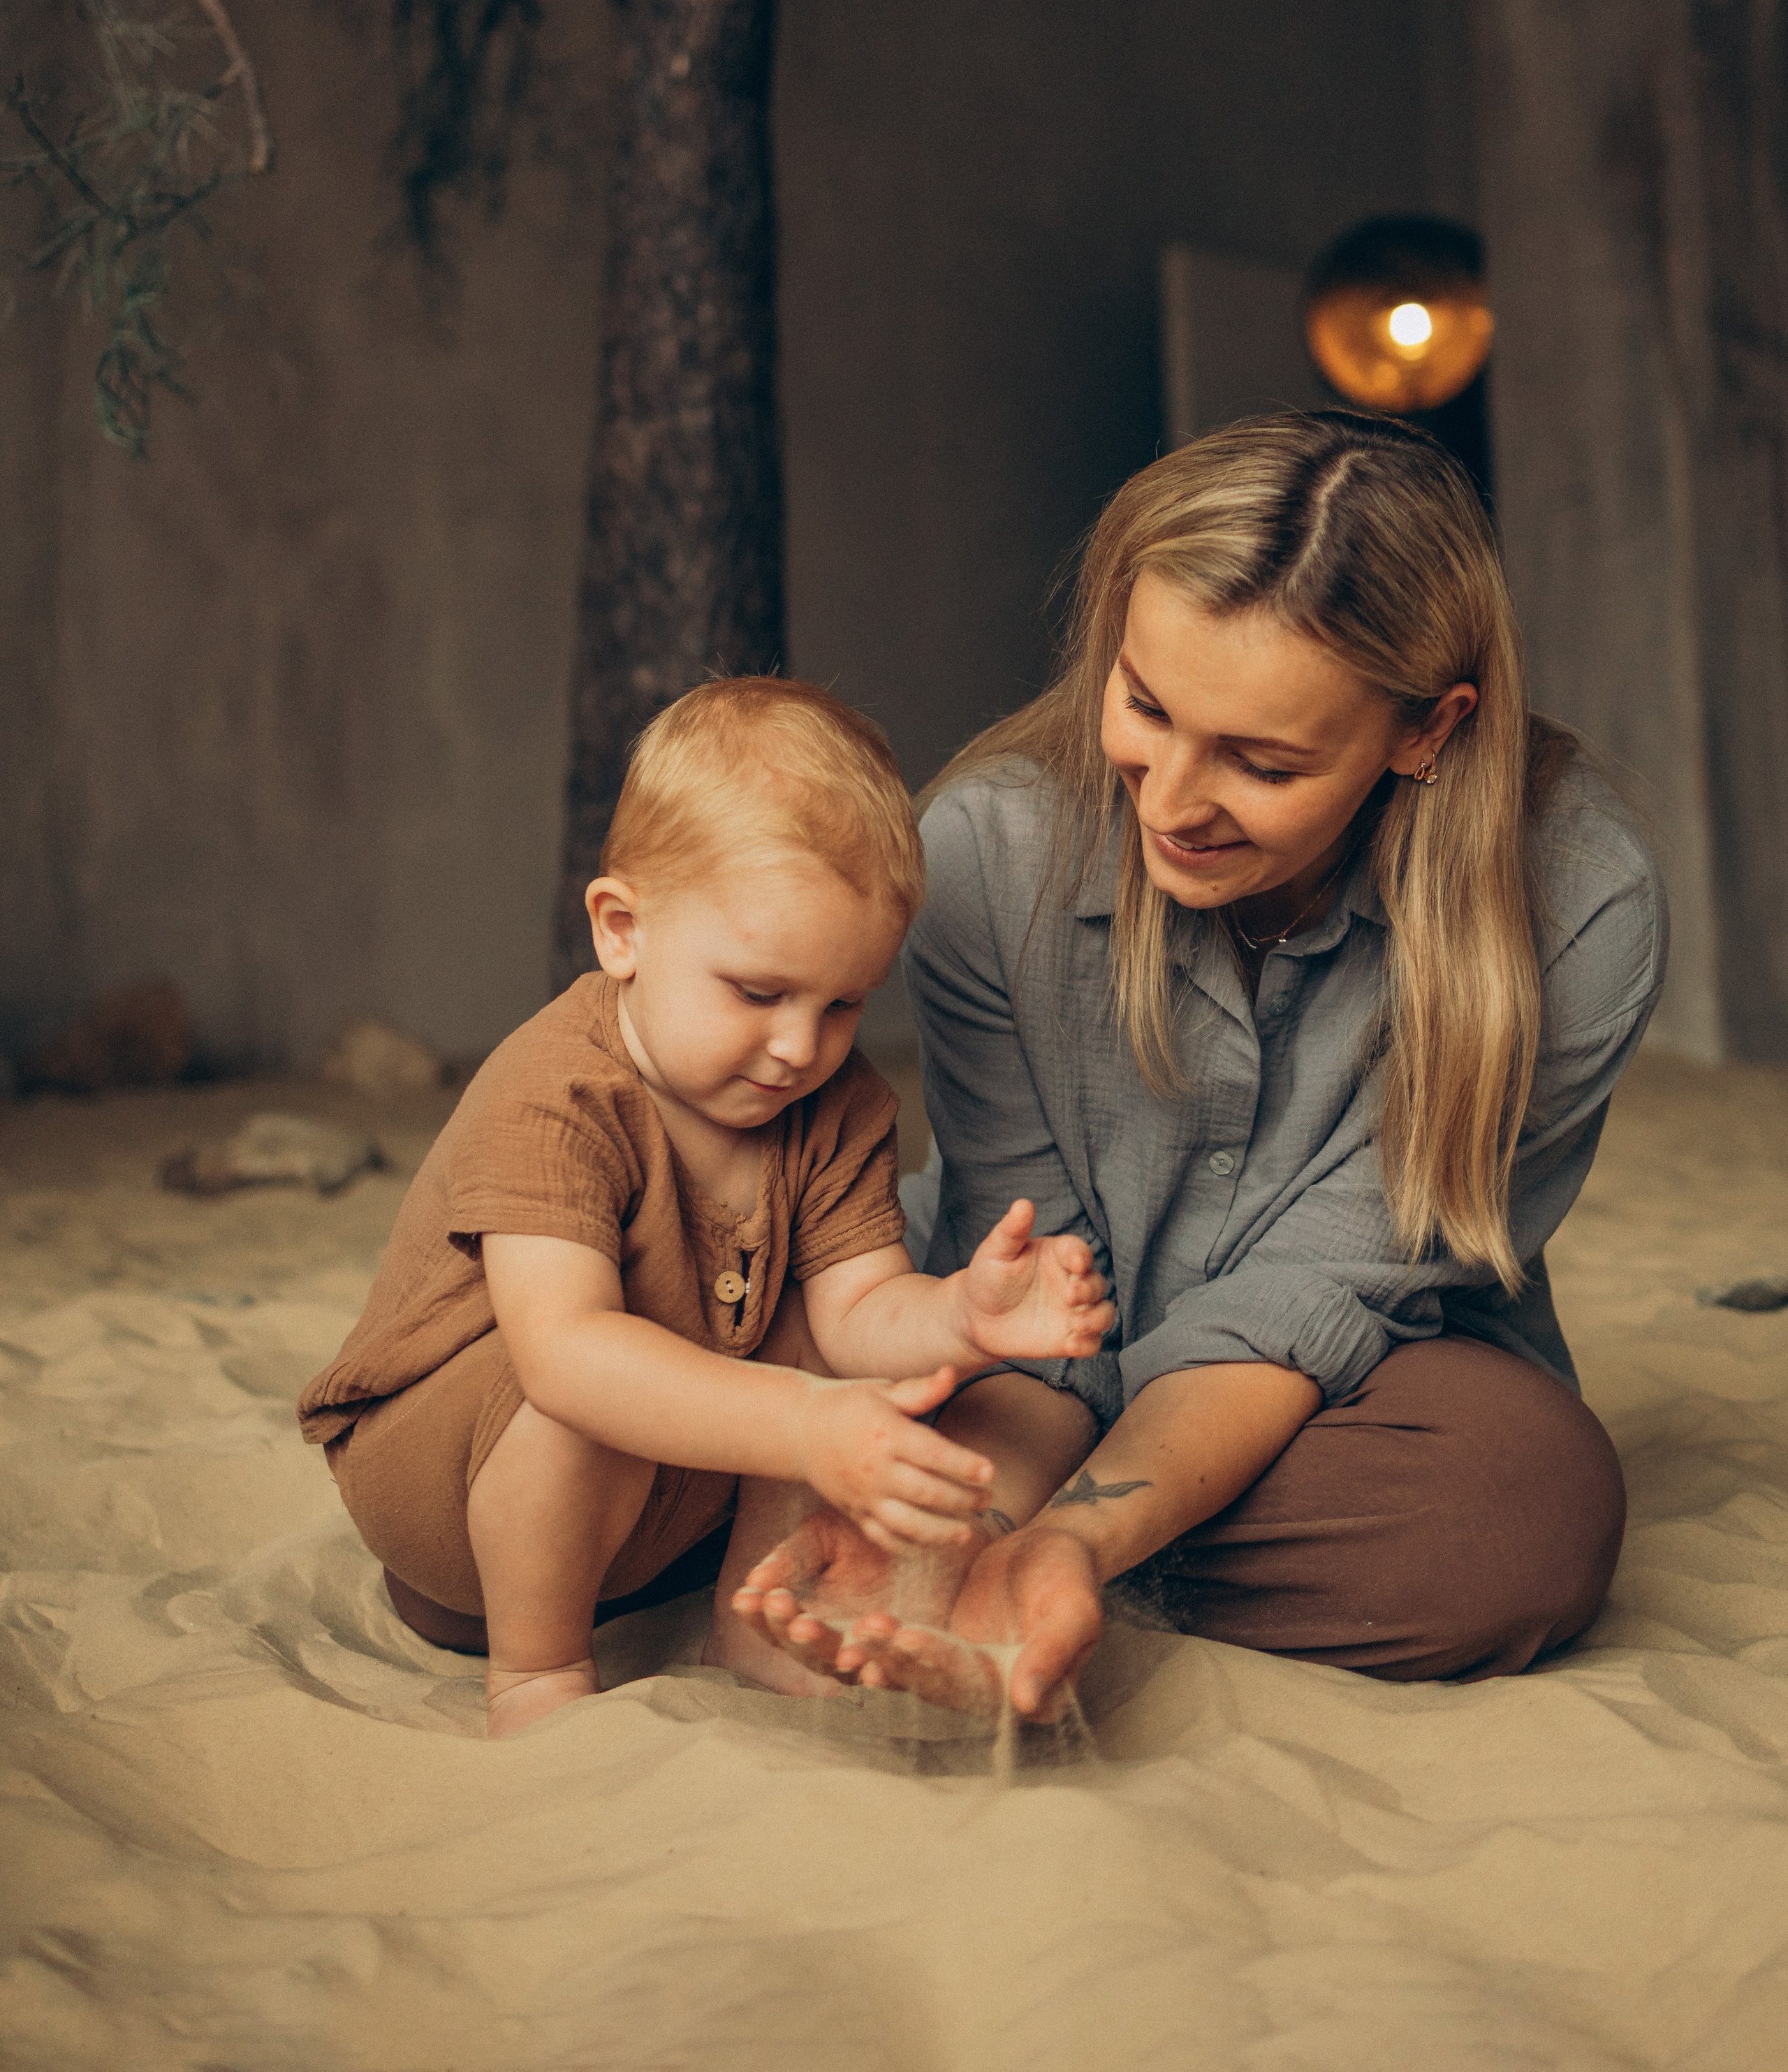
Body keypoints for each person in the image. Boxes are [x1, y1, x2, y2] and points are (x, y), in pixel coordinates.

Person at [735, 411, 1666, 1724]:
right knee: (499, 1518)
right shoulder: (988, 852)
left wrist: (1074, 1540)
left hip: (1343, 1387)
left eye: (1263, 761)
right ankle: (997, 1552)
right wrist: (977, 1515)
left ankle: (1060, 1567)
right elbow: (1034, 1288)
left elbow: (1320, 1292)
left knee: (1523, 1513)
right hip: (1025, 1371)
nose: (1169, 799)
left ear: (1427, 730)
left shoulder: (1576, 904)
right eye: (1146, 705)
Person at [298, 678, 1112, 1735]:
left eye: (843, 1002)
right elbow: (562, 1353)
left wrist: (963, 1315)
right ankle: (539, 1677)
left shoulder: (836, 1101)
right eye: (759, 993)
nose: (800, 1047)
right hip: (454, 1493)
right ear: (623, 930)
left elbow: (859, 1314)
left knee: (813, 1335)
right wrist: (807, 1424)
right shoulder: (557, 1089)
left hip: (657, 1508)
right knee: (597, 1380)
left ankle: (754, 1624)